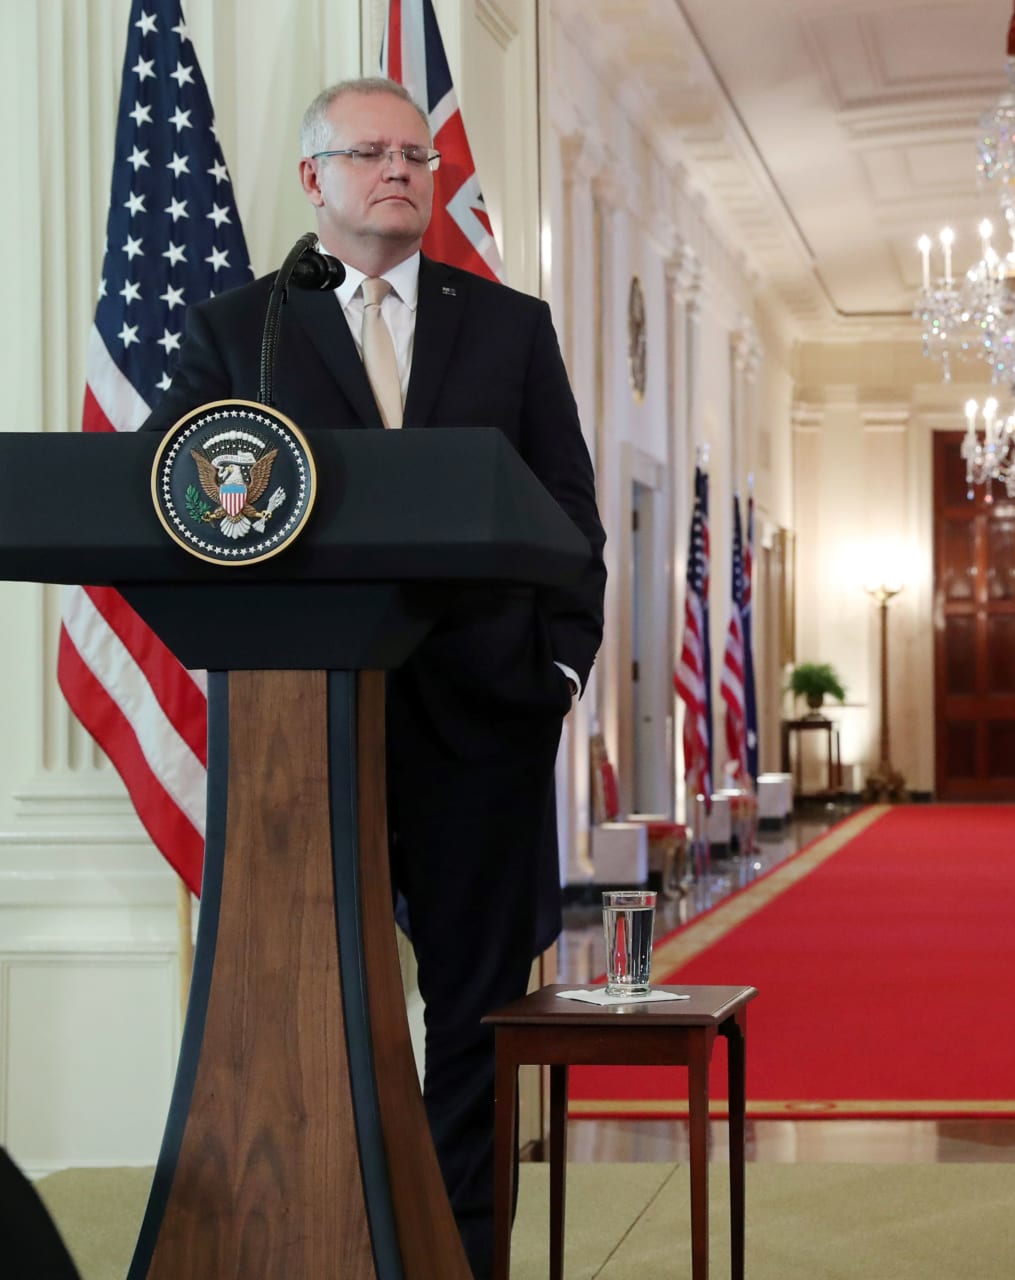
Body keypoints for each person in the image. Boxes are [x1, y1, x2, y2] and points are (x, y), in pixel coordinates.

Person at [143, 77, 606, 1275]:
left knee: (476, 1018)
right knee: (302, 1004)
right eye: (369, 154)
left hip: (483, 725)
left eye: (415, 155)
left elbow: (572, 518)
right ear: (315, 179)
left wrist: (556, 674)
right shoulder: (241, 330)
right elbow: (160, 498)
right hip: (304, 731)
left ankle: (462, 1258)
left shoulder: (508, 327)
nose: (398, 169)